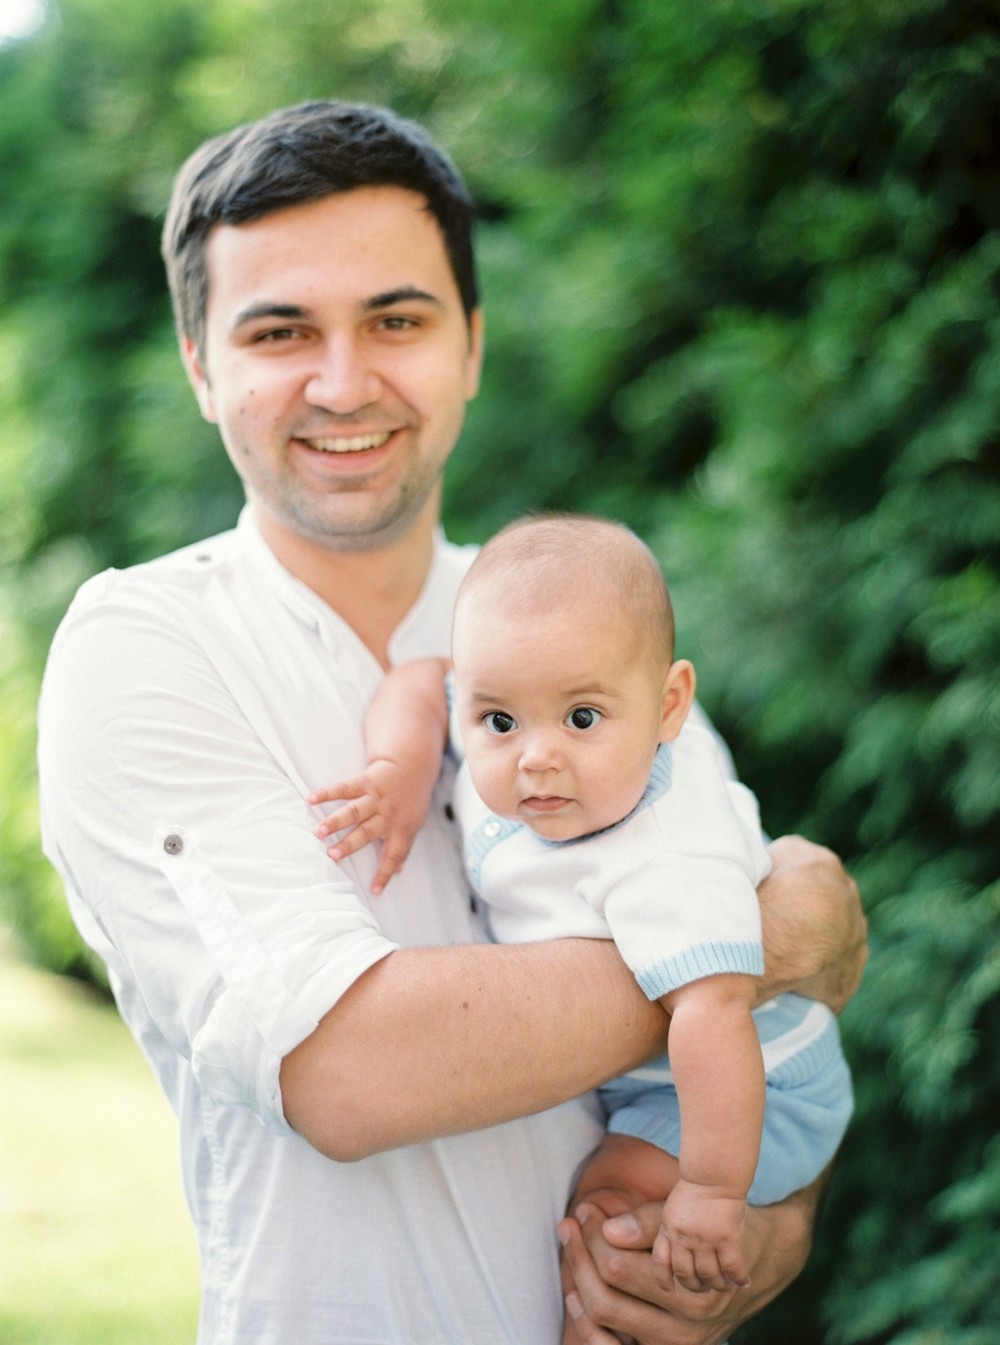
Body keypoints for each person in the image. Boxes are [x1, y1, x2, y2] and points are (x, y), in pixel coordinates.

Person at [36, 100, 867, 1345]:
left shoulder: (580, 621)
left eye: (397, 318)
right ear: (202, 366)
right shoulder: (147, 647)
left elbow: (776, 1085)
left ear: (470, 345)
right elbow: (347, 1070)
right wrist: (754, 936)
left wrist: (761, 1241)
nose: (342, 380)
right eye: (278, 331)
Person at [310, 512, 854, 1337]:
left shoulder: (669, 854)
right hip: (663, 1071)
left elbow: (713, 1016)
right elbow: (425, 683)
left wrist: (711, 1194)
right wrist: (400, 768)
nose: (535, 757)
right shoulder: (518, 700)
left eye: (582, 719)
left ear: (670, 705)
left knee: (611, 1218)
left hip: (752, 1085)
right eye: (500, 722)